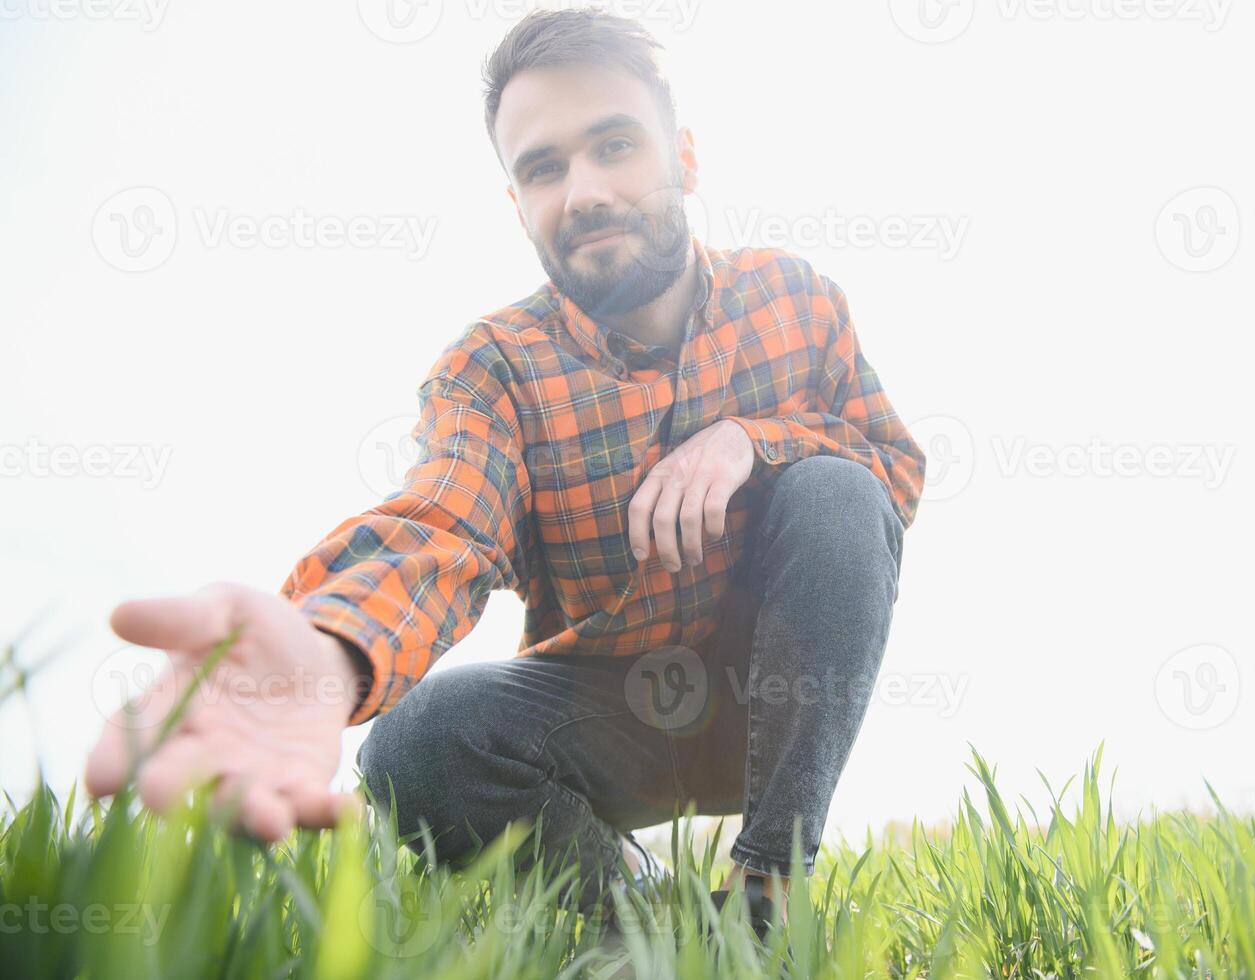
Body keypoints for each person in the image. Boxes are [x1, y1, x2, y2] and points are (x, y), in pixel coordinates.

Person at [84, 7, 925, 933]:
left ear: (682, 157)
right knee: (416, 743)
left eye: (614, 145)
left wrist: (749, 439)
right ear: (515, 202)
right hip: (603, 721)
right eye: (543, 167)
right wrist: (326, 652)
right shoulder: (492, 369)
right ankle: (641, 920)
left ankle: (769, 893)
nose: (584, 191)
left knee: (836, 487)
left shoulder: (794, 300)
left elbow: (889, 467)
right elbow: (444, 522)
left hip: (766, 699)